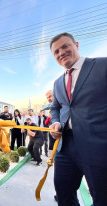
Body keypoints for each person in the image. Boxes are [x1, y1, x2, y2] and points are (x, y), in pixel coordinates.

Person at [50, 32, 107, 206]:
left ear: (76, 45)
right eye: (56, 52)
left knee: (101, 197)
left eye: (65, 46)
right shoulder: (57, 82)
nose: (61, 53)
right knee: (63, 194)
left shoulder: (102, 65)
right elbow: (56, 108)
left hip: (98, 146)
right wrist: (56, 121)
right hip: (65, 146)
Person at [45, 90, 56, 157]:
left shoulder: (62, 106)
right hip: (52, 132)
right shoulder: (52, 109)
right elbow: (46, 123)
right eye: (47, 98)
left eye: (50, 96)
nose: (49, 99)